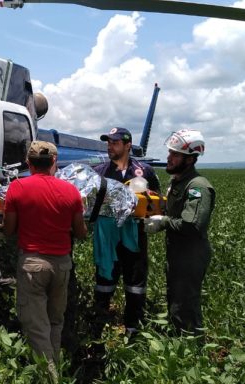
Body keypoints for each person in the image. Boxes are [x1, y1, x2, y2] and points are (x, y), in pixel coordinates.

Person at [2, 140, 87, 376]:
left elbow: (8, 230)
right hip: (62, 265)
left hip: (33, 264)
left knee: (37, 327)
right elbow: (80, 233)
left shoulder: (17, 188)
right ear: (54, 162)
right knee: (55, 322)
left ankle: (49, 377)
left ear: (28, 163)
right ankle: (54, 368)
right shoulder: (71, 191)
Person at [144, 129, 215, 336]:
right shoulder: (178, 181)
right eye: (170, 153)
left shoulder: (197, 187)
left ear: (190, 159)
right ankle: (179, 339)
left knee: (185, 305)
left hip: (190, 255)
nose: (169, 158)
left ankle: (192, 345)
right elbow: (174, 210)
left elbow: (193, 225)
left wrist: (164, 222)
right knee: (176, 300)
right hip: (177, 253)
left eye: (175, 155)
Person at [91, 127, 160, 336]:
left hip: (135, 235)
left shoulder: (144, 171)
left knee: (135, 284)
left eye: (115, 143)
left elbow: (156, 200)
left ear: (128, 145)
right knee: (104, 281)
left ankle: (133, 331)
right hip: (107, 238)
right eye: (108, 143)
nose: (110, 147)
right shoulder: (99, 172)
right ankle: (98, 329)